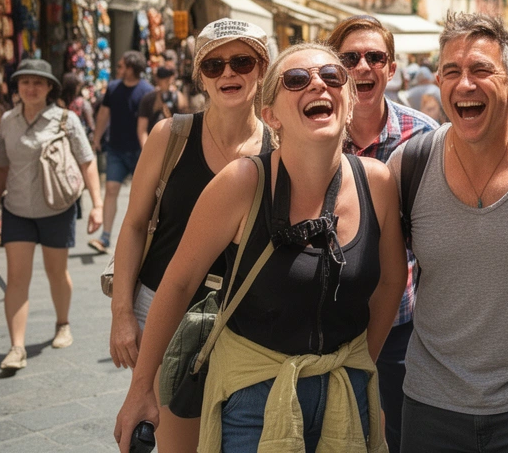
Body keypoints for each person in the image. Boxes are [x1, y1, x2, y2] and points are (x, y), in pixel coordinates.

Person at [114, 42, 406, 453]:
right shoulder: (241, 183)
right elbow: (177, 284)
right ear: (271, 115)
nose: (317, 85)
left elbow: (392, 281)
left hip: (346, 392)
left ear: (349, 100)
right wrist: (141, 387)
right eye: (297, 80)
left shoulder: (377, 182)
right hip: (255, 396)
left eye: (331, 76)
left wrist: (361, 361)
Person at [388, 13, 508, 453]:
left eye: (480, 70)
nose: (465, 84)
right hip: (431, 403)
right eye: (451, 72)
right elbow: (384, 273)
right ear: (438, 82)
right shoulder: (409, 165)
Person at [109, 19, 275, 453]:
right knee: (175, 441)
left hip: (242, 316)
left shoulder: (278, 148)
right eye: (214, 65)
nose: (228, 73)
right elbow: (133, 225)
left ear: (262, 70)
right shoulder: (171, 136)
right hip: (161, 308)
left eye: (242, 62)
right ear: (200, 75)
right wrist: (122, 313)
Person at [326, 16, 438, 453]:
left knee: (405, 435)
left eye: (375, 57)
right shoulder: (314, 131)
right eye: (350, 58)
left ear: (391, 68)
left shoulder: (423, 137)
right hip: (328, 315)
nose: (363, 66)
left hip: (402, 321)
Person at [0, 59, 102, 372]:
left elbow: (87, 161)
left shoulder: (66, 119)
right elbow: (1, 168)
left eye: (38, 82)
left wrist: (97, 204)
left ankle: (63, 323)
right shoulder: (8, 120)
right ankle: (17, 347)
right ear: (17, 86)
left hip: (56, 207)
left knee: (56, 272)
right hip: (17, 210)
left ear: (50, 87)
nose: (31, 88)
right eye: (25, 82)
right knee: (17, 278)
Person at [90, 51, 154, 254]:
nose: (118, 69)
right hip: (116, 149)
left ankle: (144, 240)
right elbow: (103, 114)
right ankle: (105, 237)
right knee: (110, 190)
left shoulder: (147, 91)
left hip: (140, 152)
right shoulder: (113, 88)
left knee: (143, 197)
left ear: (131, 68)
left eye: (121, 66)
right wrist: (97, 137)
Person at [137, 65, 189, 145]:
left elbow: (185, 125)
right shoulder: (149, 99)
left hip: (172, 143)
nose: (167, 81)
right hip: (154, 141)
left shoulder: (177, 96)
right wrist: (146, 147)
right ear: (157, 79)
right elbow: (142, 129)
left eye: (168, 78)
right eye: (164, 78)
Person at [62, 72, 95, 140]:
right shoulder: (82, 103)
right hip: (78, 137)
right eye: (78, 86)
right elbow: (91, 125)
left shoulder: (59, 103)